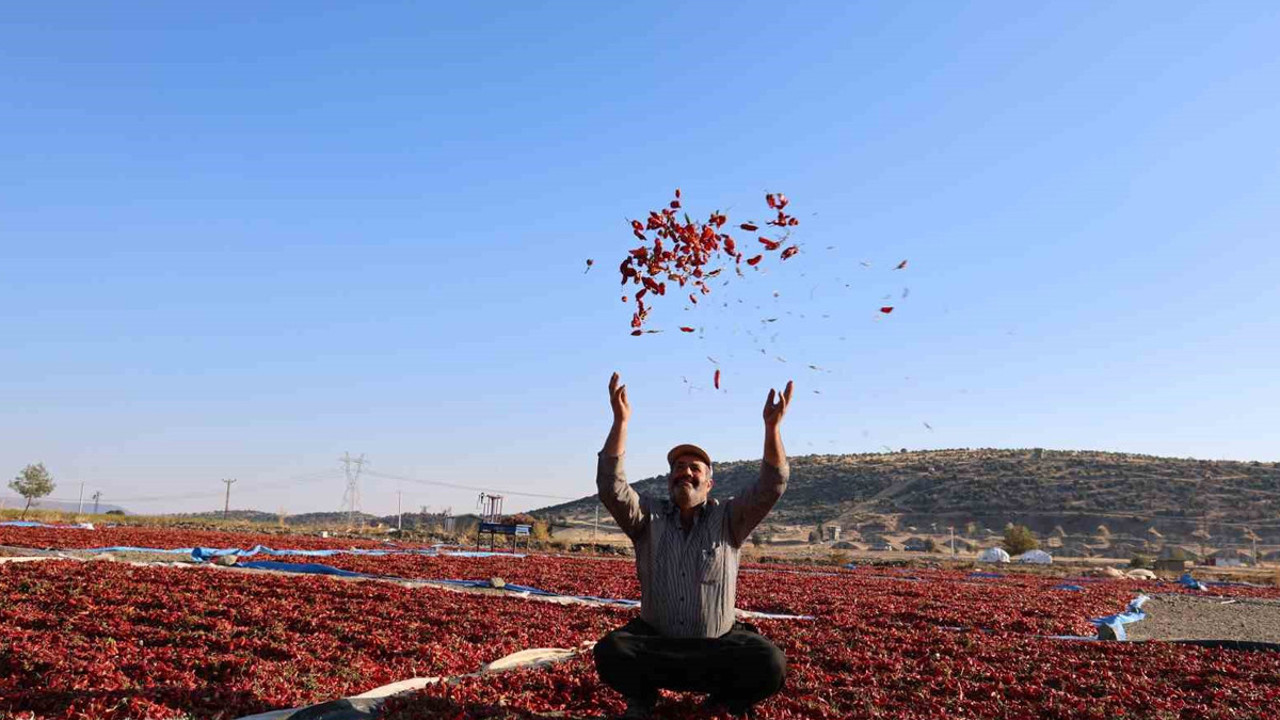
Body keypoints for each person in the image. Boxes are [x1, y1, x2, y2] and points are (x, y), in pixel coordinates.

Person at [592, 372, 793, 719]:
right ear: (670, 479)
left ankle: (726, 697)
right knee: (611, 651)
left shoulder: (730, 519)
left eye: (694, 468)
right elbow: (610, 486)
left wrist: (772, 429)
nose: (685, 472)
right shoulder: (647, 518)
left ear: (709, 482)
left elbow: (772, 485)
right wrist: (620, 421)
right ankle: (643, 697)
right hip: (658, 645)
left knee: (770, 662)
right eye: (678, 467)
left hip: (717, 647)